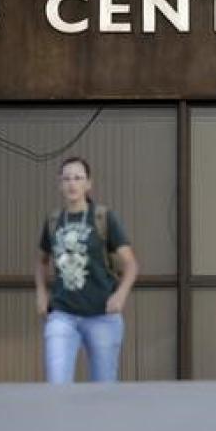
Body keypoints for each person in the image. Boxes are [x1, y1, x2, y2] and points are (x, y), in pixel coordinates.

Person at [35, 157, 140, 383]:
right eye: (67, 178)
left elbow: (131, 264)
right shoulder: (54, 220)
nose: (72, 184)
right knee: (56, 384)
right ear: (60, 184)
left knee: (103, 390)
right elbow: (41, 261)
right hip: (62, 314)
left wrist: (120, 295)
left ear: (88, 183)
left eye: (78, 178)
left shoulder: (103, 217)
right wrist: (42, 294)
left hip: (102, 315)